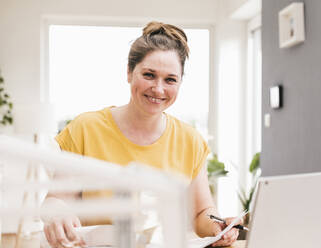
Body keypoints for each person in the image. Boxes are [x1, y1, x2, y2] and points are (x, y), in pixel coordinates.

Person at [43, 21, 242, 247]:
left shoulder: (190, 140)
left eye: (170, 79)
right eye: (149, 75)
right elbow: (57, 200)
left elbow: (202, 212)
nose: (158, 89)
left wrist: (218, 226)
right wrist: (57, 214)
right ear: (129, 72)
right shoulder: (85, 129)